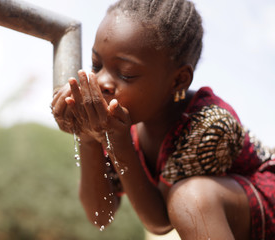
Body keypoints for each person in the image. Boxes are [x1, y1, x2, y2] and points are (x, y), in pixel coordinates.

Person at [51, 0, 275, 239]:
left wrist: (118, 142)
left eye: (126, 73)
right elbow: (100, 215)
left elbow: (161, 221)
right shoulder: (128, 125)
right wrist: (88, 138)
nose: (101, 82)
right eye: (96, 65)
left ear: (178, 81)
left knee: (191, 200)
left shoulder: (209, 124)